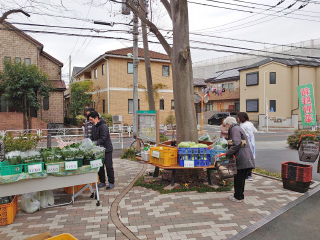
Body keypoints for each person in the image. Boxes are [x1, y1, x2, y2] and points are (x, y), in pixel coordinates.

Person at [224, 116, 255, 203]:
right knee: (241, 178)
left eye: (226, 125)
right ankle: (239, 195)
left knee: (238, 178)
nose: (226, 127)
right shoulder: (238, 128)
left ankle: (237, 197)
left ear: (229, 124)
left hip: (241, 157)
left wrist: (228, 152)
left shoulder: (234, 129)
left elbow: (236, 143)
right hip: (245, 156)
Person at [88, 111, 115, 190]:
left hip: (107, 149)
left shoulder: (104, 126)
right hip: (98, 150)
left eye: (91, 119)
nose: (91, 121)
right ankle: (102, 181)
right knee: (100, 166)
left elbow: (103, 138)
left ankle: (111, 182)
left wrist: (94, 143)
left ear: (96, 118)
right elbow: (92, 137)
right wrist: (90, 143)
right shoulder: (94, 127)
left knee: (109, 166)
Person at [238, 112, 257, 181]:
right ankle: (249, 175)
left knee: (246, 159)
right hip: (252, 143)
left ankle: (248, 175)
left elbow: (244, 135)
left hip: (246, 144)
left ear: (241, 118)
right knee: (250, 158)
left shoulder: (242, 125)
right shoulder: (250, 123)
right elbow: (255, 131)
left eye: (238, 117)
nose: (238, 118)